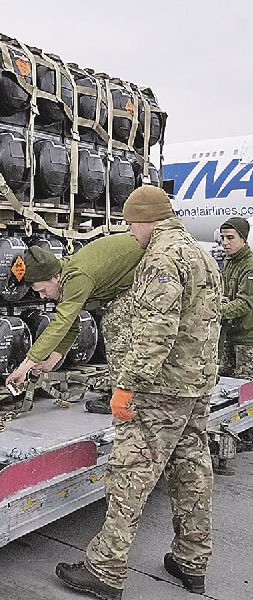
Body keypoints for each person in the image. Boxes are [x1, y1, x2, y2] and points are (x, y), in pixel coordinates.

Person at [55, 185, 222, 599]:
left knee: (130, 475)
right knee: (192, 472)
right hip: (195, 385)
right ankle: (192, 560)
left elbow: (155, 331)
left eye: (131, 223)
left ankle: (106, 569)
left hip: (159, 389)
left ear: (147, 219)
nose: (130, 232)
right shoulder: (203, 253)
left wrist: (127, 385)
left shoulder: (162, 258)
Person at [5, 234, 144, 413]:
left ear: (55, 277)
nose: (43, 296)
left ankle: (126, 398)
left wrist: (24, 367)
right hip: (135, 275)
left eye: (43, 290)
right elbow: (71, 324)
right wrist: (50, 362)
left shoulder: (77, 277)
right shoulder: (64, 277)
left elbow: (61, 323)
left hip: (153, 265)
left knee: (115, 325)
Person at [217, 216, 253, 451]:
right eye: (222, 238)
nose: (225, 243)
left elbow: (245, 302)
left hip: (247, 339)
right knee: (227, 391)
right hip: (230, 335)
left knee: (246, 390)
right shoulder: (229, 261)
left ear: (243, 238)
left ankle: (248, 435)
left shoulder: (249, 266)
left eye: (230, 238)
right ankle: (231, 431)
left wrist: (215, 311)